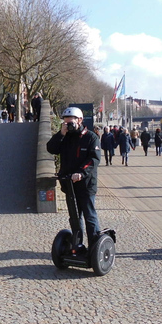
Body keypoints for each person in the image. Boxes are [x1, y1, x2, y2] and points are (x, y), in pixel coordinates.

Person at [46, 107, 102, 252]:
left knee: (89, 216)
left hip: (86, 185)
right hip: (69, 185)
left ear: (80, 120)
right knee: (75, 217)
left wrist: (81, 173)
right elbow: (51, 149)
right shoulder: (65, 137)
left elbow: (94, 159)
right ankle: (77, 246)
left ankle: (94, 248)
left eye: (71, 122)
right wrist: (61, 133)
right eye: (66, 123)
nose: (68, 125)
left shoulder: (91, 137)